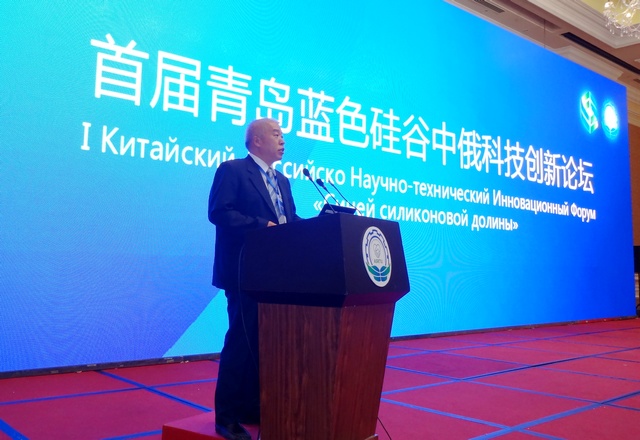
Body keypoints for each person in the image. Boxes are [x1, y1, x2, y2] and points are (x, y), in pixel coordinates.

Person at [208, 118, 301, 440]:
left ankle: (251, 407)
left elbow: (289, 220)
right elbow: (220, 212)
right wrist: (263, 227)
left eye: (283, 135)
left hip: (276, 276)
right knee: (241, 342)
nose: (283, 139)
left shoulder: (282, 180)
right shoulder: (233, 170)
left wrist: (321, 226)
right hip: (243, 271)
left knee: (265, 345)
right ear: (257, 140)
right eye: (276, 134)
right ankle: (227, 418)